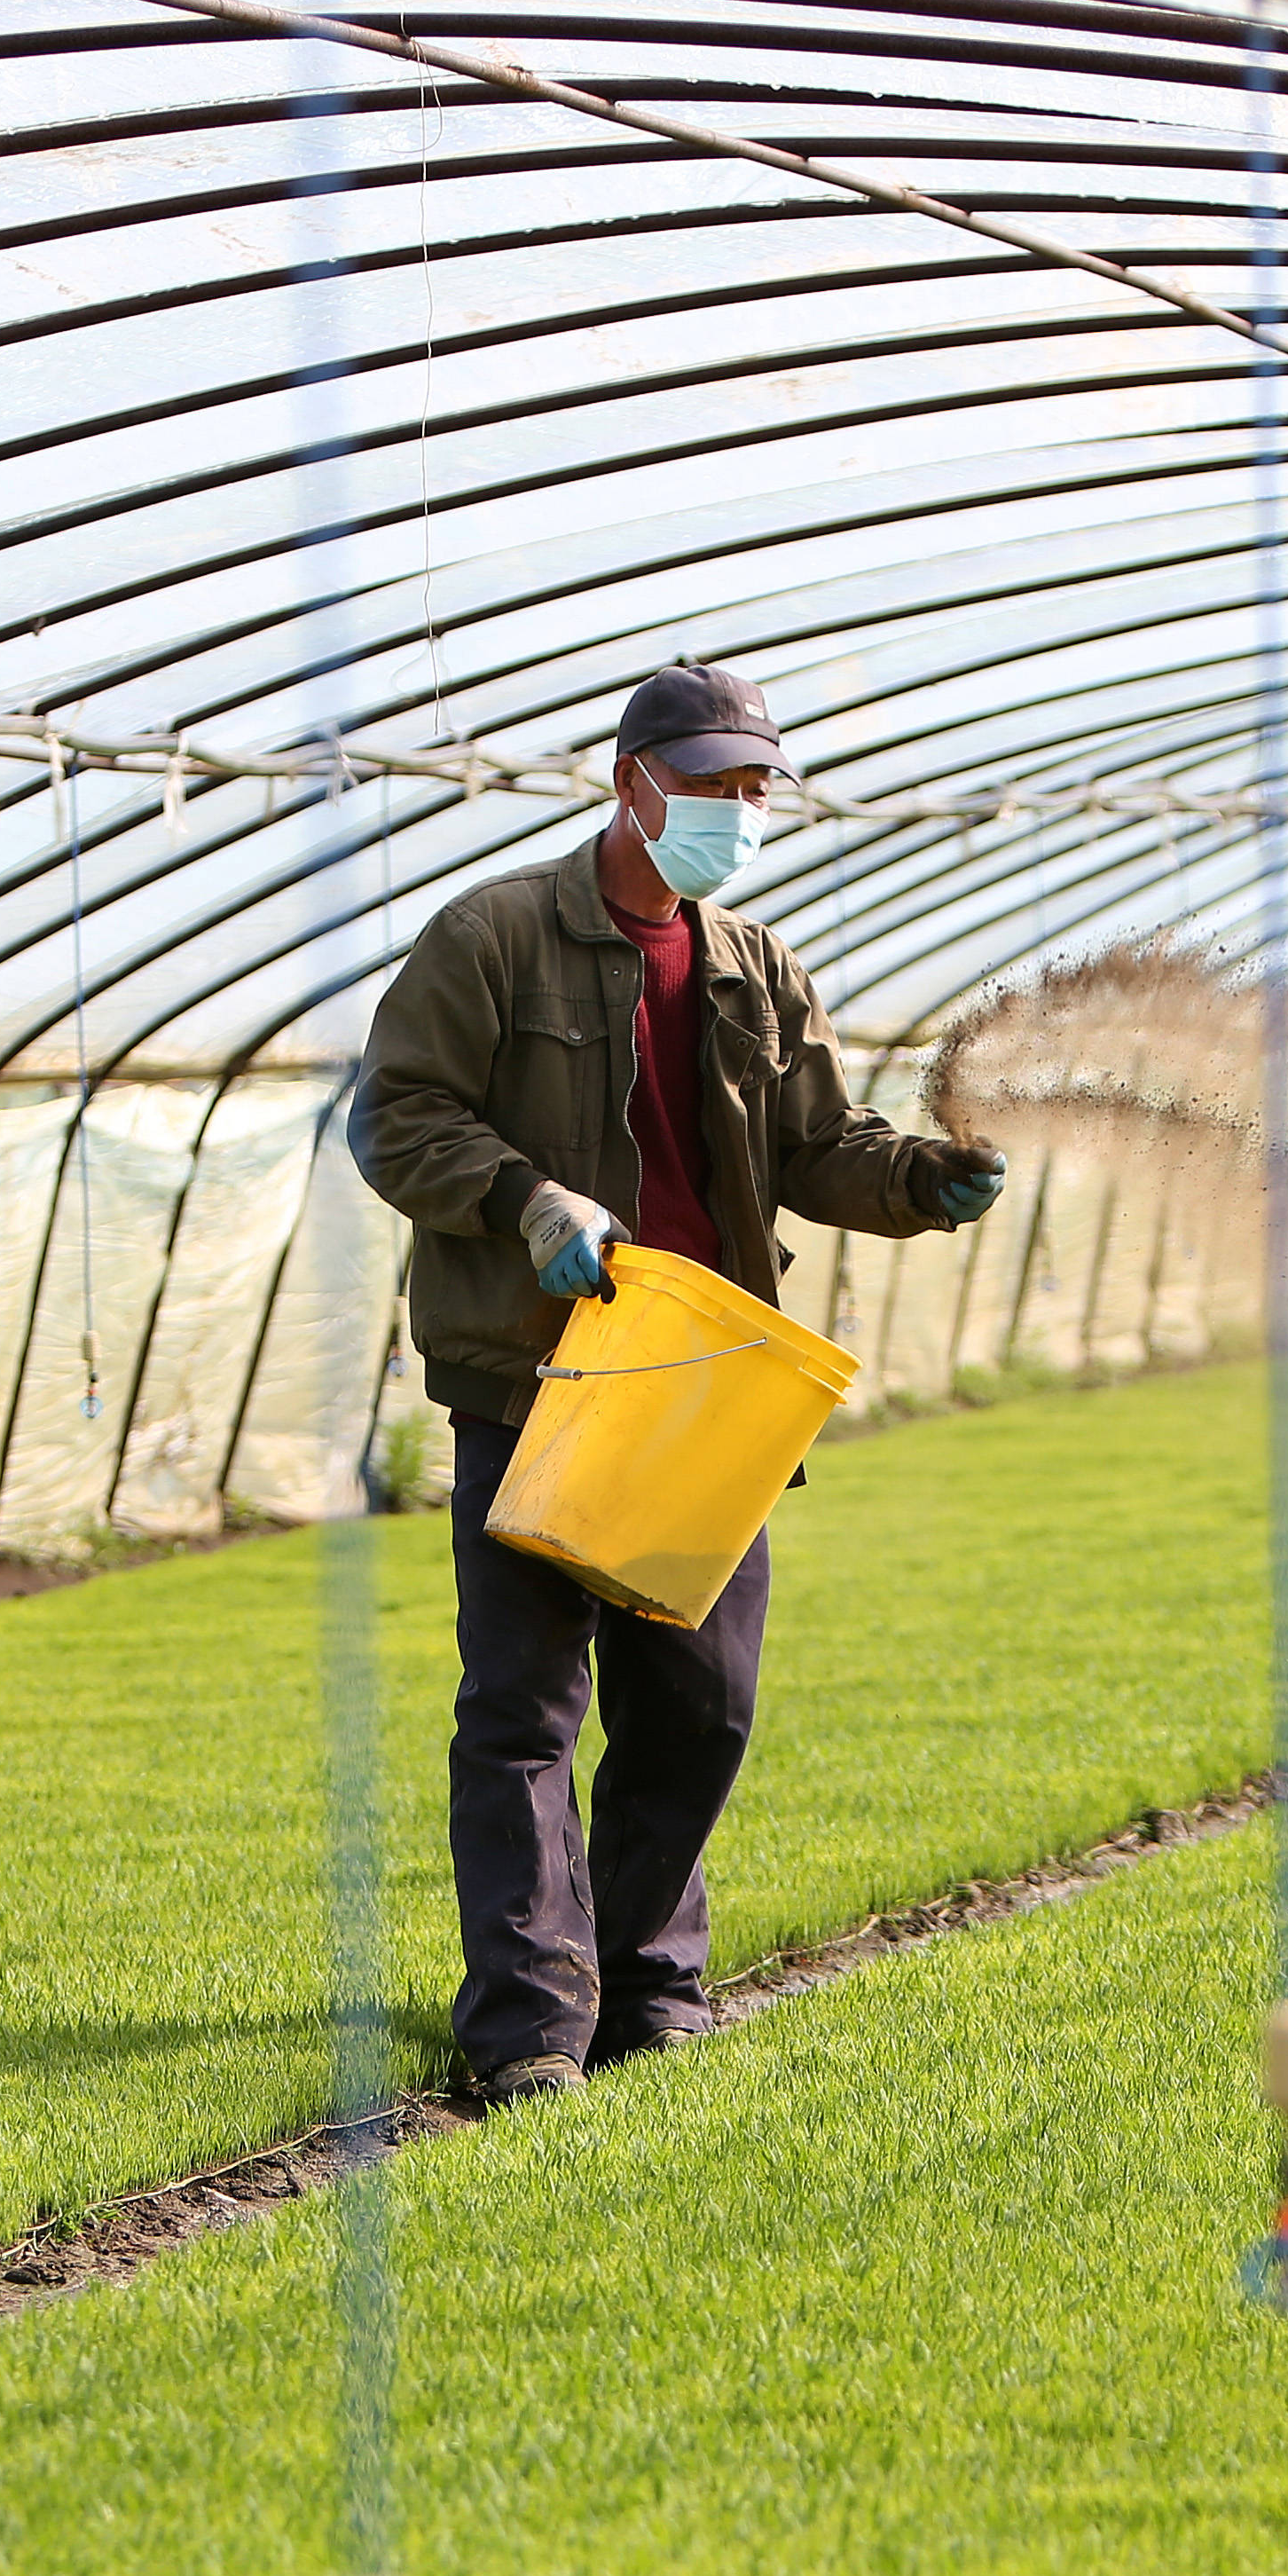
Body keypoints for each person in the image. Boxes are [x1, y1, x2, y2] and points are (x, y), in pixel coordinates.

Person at [350, 662, 1006, 2105]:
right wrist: (525, 1201)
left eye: (752, 785)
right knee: (523, 1709)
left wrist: (919, 1180)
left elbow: (818, 1147)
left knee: (698, 1705)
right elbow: (394, 1117)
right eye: (707, 782)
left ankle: (646, 1986)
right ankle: (528, 2027)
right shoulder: (495, 938)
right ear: (630, 781)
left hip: (704, 1383)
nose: (733, 808)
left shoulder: (752, 963)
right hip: (538, 1376)